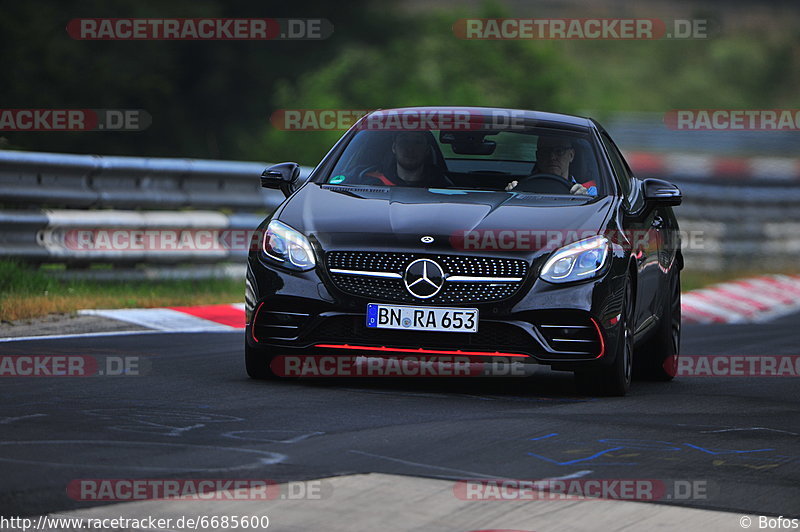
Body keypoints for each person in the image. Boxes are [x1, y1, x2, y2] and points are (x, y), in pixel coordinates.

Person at [505, 136, 597, 195]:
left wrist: (584, 200)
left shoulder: (589, 191)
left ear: (571, 155)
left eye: (559, 151)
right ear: (538, 156)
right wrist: (511, 195)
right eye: (545, 151)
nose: (552, 157)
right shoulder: (521, 189)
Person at [363, 131, 451, 187]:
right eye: (404, 141)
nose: (410, 148)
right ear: (394, 148)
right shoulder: (371, 184)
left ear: (427, 150)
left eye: (417, 142)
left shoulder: (443, 187)